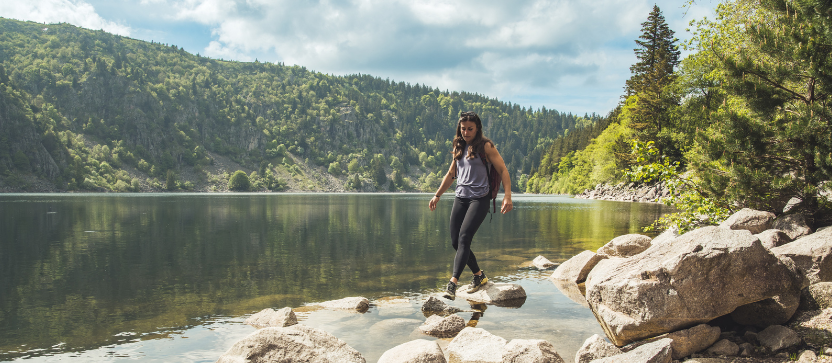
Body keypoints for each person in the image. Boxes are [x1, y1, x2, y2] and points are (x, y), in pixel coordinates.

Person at [428, 111, 513, 300]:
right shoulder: (459, 145)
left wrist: (507, 196)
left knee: (464, 237)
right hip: (461, 197)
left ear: (477, 129)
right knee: (455, 242)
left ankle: (453, 283)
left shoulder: (486, 146)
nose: (466, 132)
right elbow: (451, 174)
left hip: (480, 198)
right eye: (463, 128)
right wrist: (437, 195)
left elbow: (502, 170)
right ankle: (479, 275)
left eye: (470, 129)